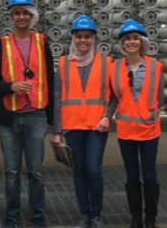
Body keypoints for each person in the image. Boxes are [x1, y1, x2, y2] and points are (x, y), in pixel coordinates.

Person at [0, 0, 55, 228]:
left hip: (36, 114)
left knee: (35, 171)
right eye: (17, 13)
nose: (21, 17)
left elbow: (50, 81)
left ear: (32, 15)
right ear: (11, 16)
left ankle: (37, 217)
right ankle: (12, 217)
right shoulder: (1, 46)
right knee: (11, 172)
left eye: (26, 12)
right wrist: (10, 87)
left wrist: (52, 118)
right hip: (9, 116)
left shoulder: (42, 43)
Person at [52, 16, 114, 228]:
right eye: (79, 37)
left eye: (87, 37)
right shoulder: (62, 63)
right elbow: (57, 97)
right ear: (73, 38)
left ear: (93, 38)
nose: (83, 41)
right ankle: (84, 215)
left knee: (93, 170)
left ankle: (96, 215)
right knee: (79, 171)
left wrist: (107, 116)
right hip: (72, 127)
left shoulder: (107, 63)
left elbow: (115, 95)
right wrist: (57, 131)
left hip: (97, 127)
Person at [110, 20, 165, 228]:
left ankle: (150, 220)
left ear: (142, 42)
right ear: (122, 44)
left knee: (150, 174)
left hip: (149, 130)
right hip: (126, 132)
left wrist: (148, 114)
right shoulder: (114, 69)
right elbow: (114, 97)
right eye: (127, 39)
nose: (131, 42)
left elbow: (160, 98)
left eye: (135, 38)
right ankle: (136, 219)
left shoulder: (155, 66)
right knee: (132, 175)